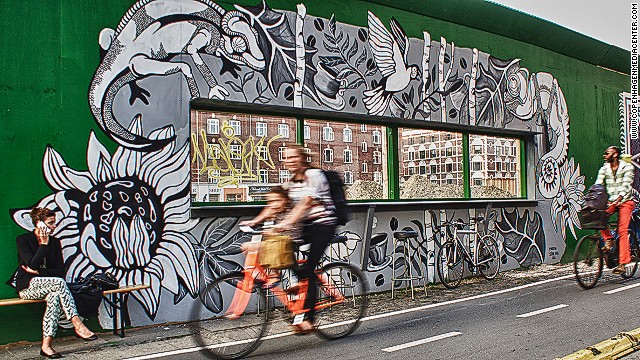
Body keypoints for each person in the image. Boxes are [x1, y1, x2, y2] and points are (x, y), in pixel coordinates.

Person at [15, 207, 97, 358]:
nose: (54, 226)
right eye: (50, 223)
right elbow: (32, 264)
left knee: (54, 295)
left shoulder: (55, 242)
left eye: (55, 223)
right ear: (39, 223)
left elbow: (60, 271)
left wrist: (40, 272)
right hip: (28, 287)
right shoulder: (23, 240)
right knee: (58, 283)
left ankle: (46, 346)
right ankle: (77, 323)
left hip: (51, 285)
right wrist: (43, 245)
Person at [275, 145, 337, 334]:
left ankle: (308, 318)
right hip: (305, 227)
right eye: (286, 158)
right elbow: (277, 203)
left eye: (294, 157)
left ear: (302, 158)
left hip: (323, 225)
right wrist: (258, 221)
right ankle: (301, 281)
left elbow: (306, 203)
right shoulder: (291, 183)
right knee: (283, 253)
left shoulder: (315, 175)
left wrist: (286, 223)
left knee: (309, 269)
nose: (290, 160)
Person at [240, 185, 296, 287]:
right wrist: (253, 222)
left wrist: (276, 229)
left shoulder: (291, 210)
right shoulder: (274, 209)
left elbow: (289, 224)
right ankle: (261, 273)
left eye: (277, 200)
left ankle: (274, 275)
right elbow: (266, 211)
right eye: (270, 201)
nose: (273, 204)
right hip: (276, 240)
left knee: (254, 247)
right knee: (247, 247)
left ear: (286, 200)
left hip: (288, 240)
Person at [596, 146, 636, 274]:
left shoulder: (627, 167)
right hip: (611, 201)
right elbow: (598, 185)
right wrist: (593, 199)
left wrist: (619, 198)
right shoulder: (604, 168)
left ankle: (623, 263)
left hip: (625, 201)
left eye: (607, 153)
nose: (604, 155)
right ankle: (609, 239)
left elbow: (626, 185)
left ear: (615, 154)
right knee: (599, 218)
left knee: (622, 230)